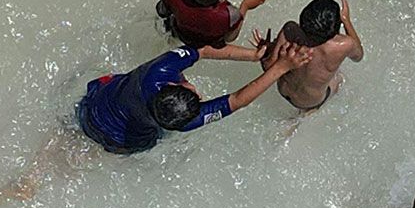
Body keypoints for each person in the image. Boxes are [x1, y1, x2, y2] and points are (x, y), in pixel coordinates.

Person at [76, 39, 305, 155]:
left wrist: (254, 56)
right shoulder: (184, 123)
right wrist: (280, 68)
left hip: (92, 106)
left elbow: (202, 49)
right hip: (122, 143)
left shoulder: (158, 71)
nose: (197, 90)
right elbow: (237, 101)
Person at [258, 0, 363, 113]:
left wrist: (265, 51)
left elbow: (269, 66)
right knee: (339, 79)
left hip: (283, 89)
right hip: (308, 102)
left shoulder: (290, 31)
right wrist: (346, 19)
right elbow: (358, 56)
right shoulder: (343, 45)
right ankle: (308, 112)